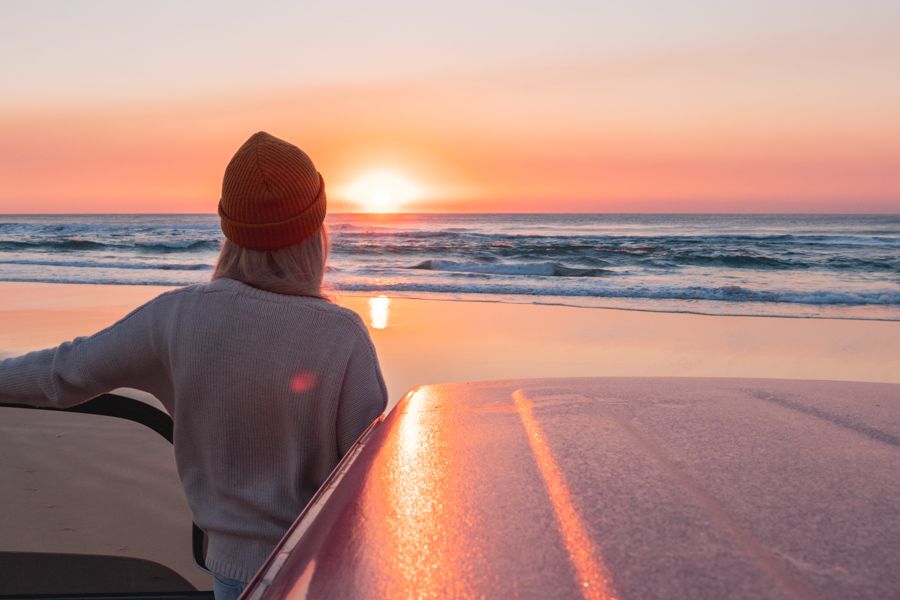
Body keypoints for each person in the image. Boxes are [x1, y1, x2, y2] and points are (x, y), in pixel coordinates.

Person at [0, 131, 389, 599]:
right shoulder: (341, 335)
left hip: (228, 578)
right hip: (318, 577)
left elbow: (63, 375)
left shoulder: (176, 317)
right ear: (315, 228)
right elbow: (372, 488)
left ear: (229, 228)